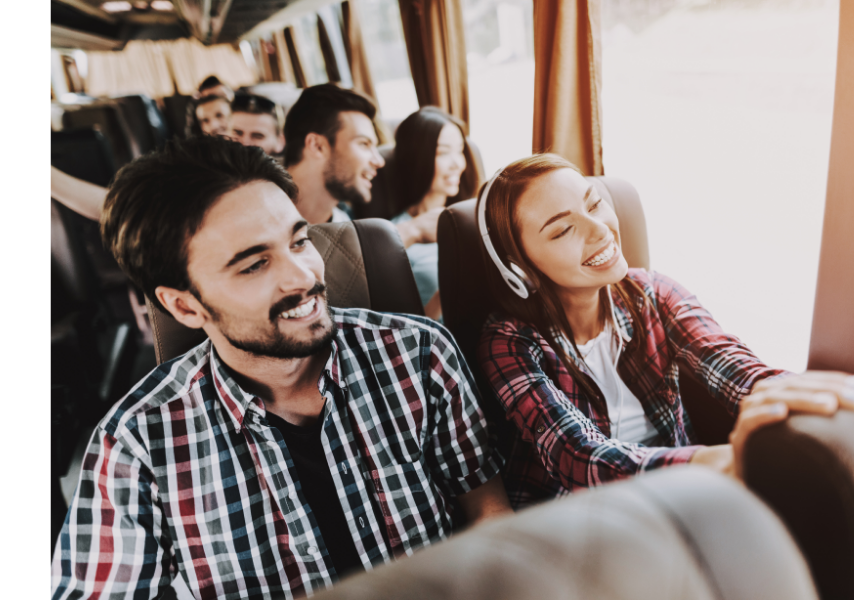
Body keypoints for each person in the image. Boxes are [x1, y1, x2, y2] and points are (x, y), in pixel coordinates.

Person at [52, 137, 510, 599]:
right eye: (254, 265)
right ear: (185, 307)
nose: (304, 277)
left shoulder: (417, 352)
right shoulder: (137, 443)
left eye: (300, 241)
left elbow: (486, 510)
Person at [476, 154, 854, 510]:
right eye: (563, 230)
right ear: (519, 268)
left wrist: (851, 399)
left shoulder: (654, 293)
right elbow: (575, 456)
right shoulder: (508, 341)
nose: (600, 230)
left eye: (594, 204)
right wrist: (713, 462)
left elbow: (740, 371)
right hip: (578, 523)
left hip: (683, 498)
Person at [283, 84, 441, 247]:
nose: (379, 161)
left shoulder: (343, 221)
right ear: (317, 146)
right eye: (364, 144)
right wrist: (411, 230)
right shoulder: (261, 221)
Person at [389, 107, 469, 320]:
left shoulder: (471, 216)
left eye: (460, 150)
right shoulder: (396, 236)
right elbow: (409, 334)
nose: (457, 164)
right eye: (443, 153)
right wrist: (451, 286)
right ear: (417, 157)